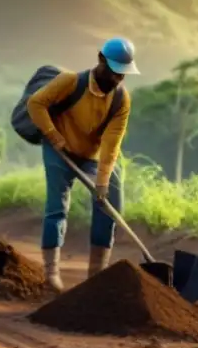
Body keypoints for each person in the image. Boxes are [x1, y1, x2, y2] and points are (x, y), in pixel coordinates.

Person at [26, 38, 138, 291]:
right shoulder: (70, 82)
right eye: (114, 72)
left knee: (108, 206)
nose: (118, 78)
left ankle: (96, 276)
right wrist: (53, 135)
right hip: (60, 150)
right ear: (100, 60)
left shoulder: (121, 99)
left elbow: (112, 142)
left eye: (123, 74)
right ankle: (51, 273)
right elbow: (35, 104)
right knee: (57, 208)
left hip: (93, 156)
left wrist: (102, 181)